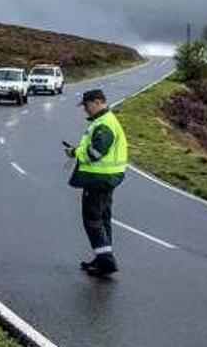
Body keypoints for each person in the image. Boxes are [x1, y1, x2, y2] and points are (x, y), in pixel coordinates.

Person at [64, 89, 128, 275]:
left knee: (92, 219)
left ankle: (106, 261)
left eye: (87, 105)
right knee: (103, 217)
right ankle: (103, 256)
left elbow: (95, 153)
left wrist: (74, 153)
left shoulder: (104, 124)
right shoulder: (105, 121)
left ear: (98, 102)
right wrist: (77, 149)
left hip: (99, 178)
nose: (85, 109)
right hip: (108, 177)